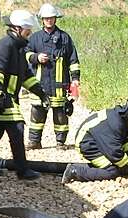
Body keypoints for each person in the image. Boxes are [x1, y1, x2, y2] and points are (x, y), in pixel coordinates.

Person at [0, 10, 51, 181]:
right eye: (27, 30)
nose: (29, 33)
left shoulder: (18, 48)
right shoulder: (5, 46)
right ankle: (22, 171)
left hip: (6, 97)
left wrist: (41, 93)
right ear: (17, 28)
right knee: (17, 129)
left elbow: (26, 76)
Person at [24, 3, 80, 150]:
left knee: (61, 116)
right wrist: (36, 57)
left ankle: (60, 142)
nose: (49, 20)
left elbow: (73, 60)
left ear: (55, 19)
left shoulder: (65, 38)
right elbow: (26, 54)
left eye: (51, 18)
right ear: (42, 19)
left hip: (59, 85)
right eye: (46, 18)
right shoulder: (35, 38)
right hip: (40, 85)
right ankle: (34, 142)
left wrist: (75, 79)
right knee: (37, 114)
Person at [62, 99, 128, 184]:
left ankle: (79, 169)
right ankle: (75, 171)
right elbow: (115, 155)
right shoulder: (116, 125)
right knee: (112, 171)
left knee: (120, 167)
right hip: (87, 144)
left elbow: (124, 141)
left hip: (94, 139)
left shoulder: (118, 118)